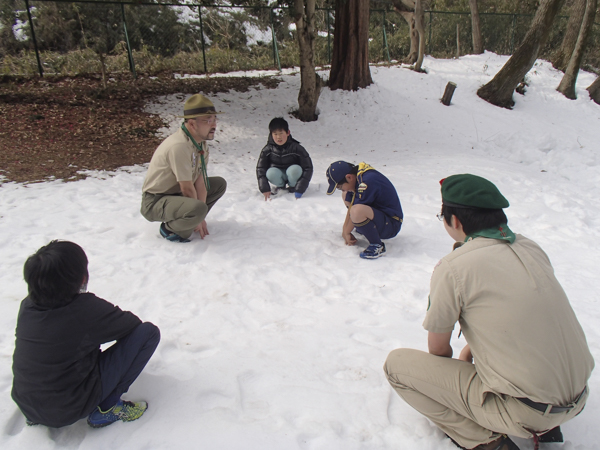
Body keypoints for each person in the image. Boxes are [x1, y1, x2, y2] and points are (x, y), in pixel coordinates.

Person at [384, 174, 594, 450]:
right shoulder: (529, 246)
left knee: (396, 366)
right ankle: (546, 427)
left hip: (526, 411)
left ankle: (486, 441)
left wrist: (458, 377)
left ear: (455, 220)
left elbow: (438, 350)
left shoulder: (455, 267)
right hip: (578, 398)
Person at [12, 241, 160, 428]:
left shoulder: (27, 306)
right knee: (148, 334)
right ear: (81, 277)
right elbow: (133, 327)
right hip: (67, 409)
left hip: (27, 403)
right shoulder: (84, 309)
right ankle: (107, 408)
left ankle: (41, 412)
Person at [141, 94, 227, 243]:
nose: (213, 125)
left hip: (176, 194)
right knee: (195, 212)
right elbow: (187, 188)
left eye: (214, 119)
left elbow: (201, 181)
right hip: (155, 200)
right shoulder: (179, 146)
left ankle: (190, 218)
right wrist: (198, 214)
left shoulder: (200, 142)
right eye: (208, 120)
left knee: (219, 184)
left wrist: (201, 217)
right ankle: (169, 229)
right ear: (192, 124)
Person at [326, 161, 403, 259]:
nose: (341, 189)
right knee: (346, 196)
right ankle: (366, 227)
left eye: (340, 187)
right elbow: (351, 206)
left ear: (349, 177)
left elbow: (355, 209)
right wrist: (345, 231)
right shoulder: (358, 177)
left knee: (357, 210)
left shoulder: (367, 182)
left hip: (391, 224)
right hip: (380, 217)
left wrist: (347, 232)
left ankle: (377, 245)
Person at [256, 117, 313, 201]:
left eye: (281, 133)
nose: (279, 137)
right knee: (270, 172)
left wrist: (300, 188)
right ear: (271, 134)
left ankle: (293, 186)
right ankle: (281, 186)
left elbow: (308, 167)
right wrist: (264, 188)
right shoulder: (267, 150)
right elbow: (261, 168)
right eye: (275, 134)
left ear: (288, 133)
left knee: (295, 169)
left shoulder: (297, 148)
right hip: (279, 175)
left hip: (293, 175)